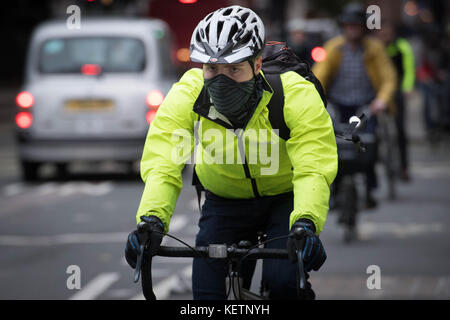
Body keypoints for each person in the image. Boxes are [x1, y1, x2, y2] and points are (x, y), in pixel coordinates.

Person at [125, 5, 338, 300]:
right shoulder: (188, 93)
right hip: (224, 202)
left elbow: (313, 164)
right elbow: (164, 161)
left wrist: (306, 222)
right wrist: (151, 220)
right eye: (212, 69)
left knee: (285, 284)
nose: (220, 80)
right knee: (206, 295)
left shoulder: (293, 93)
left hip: (284, 199)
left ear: (257, 66)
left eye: (234, 69)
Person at [312, 3, 397, 208]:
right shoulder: (333, 47)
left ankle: (369, 190)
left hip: (367, 105)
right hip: (339, 104)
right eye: (348, 26)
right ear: (344, 27)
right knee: (334, 145)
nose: (352, 30)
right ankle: (336, 190)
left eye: (356, 26)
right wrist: (314, 97)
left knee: (367, 146)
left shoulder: (374, 48)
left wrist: (381, 101)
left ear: (362, 28)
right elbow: (319, 75)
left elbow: (388, 78)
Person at [376, 21, 415, 182]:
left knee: (400, 131)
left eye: (388, 33)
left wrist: (407, 87)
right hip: (378, 92)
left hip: (398, 91)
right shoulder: (376, 48)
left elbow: (409, 68)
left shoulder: (402, 46)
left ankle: (404, 167)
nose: (385, 37)